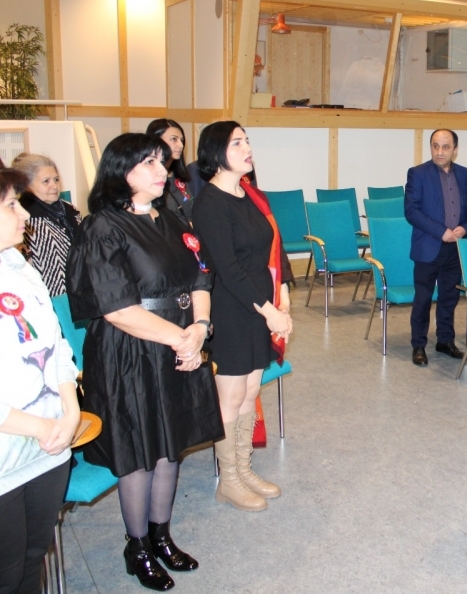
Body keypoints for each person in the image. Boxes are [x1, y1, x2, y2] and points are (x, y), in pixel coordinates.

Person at [66, 133, 223, 590]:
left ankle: (161, 536)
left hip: (179, 342)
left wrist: (200, 328)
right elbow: (117, 308)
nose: (162, 170)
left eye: (162, 161)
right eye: (149, 163)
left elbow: (200, 277)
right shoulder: (102, 227)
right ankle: (136, 547)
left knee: (170, 444)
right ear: (121, 171)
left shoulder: (171, 218)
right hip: (129, 351)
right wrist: (183, 340)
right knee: (139, 451)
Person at [192, 121, 292, 513]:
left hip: (259, 306)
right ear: (216, 152)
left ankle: (245, 468)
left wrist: (282, 297)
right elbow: (228, 270)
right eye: (237, 143)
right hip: (232, 308)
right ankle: (228, 479)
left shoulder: (249, 193)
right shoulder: (210, 203)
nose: (247, 148)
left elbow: (272, 247)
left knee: (251, 392)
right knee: (231, 396)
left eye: (247, 141)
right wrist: (269, 311)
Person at [0, 168, 81, 594]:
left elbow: (57, 347)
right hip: (8, 457)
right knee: (7, 572)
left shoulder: (20, 266)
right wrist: (42, 427)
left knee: (33, 560)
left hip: (49, 447)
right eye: (12, 205)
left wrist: (71, 411)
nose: (25, 215)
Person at [404, 129, 467, 367]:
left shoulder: (463, 173)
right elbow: (411, 211)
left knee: (449, 297)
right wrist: (441, 231)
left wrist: (464, 227)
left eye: (445, 147)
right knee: (423, 298)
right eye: (435, 146)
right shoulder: (418, 173)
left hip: (455, 248)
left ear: (455, 149)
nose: (439, 151)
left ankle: (445, 340)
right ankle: (418, 345)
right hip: (428, 246)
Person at [11, 153, 81, 295]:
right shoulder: (24, 216)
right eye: (46, 181)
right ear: (27, 184)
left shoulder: (70, 209)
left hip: (81, 286)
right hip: (49, 293)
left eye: (56, 179)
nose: (54, 186)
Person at [147, 119, 195, 224]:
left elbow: (190, 211)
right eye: (174, 139)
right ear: (156, 141)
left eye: (181, 140)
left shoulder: (179, 177)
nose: (181, 145)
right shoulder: (149, 179)